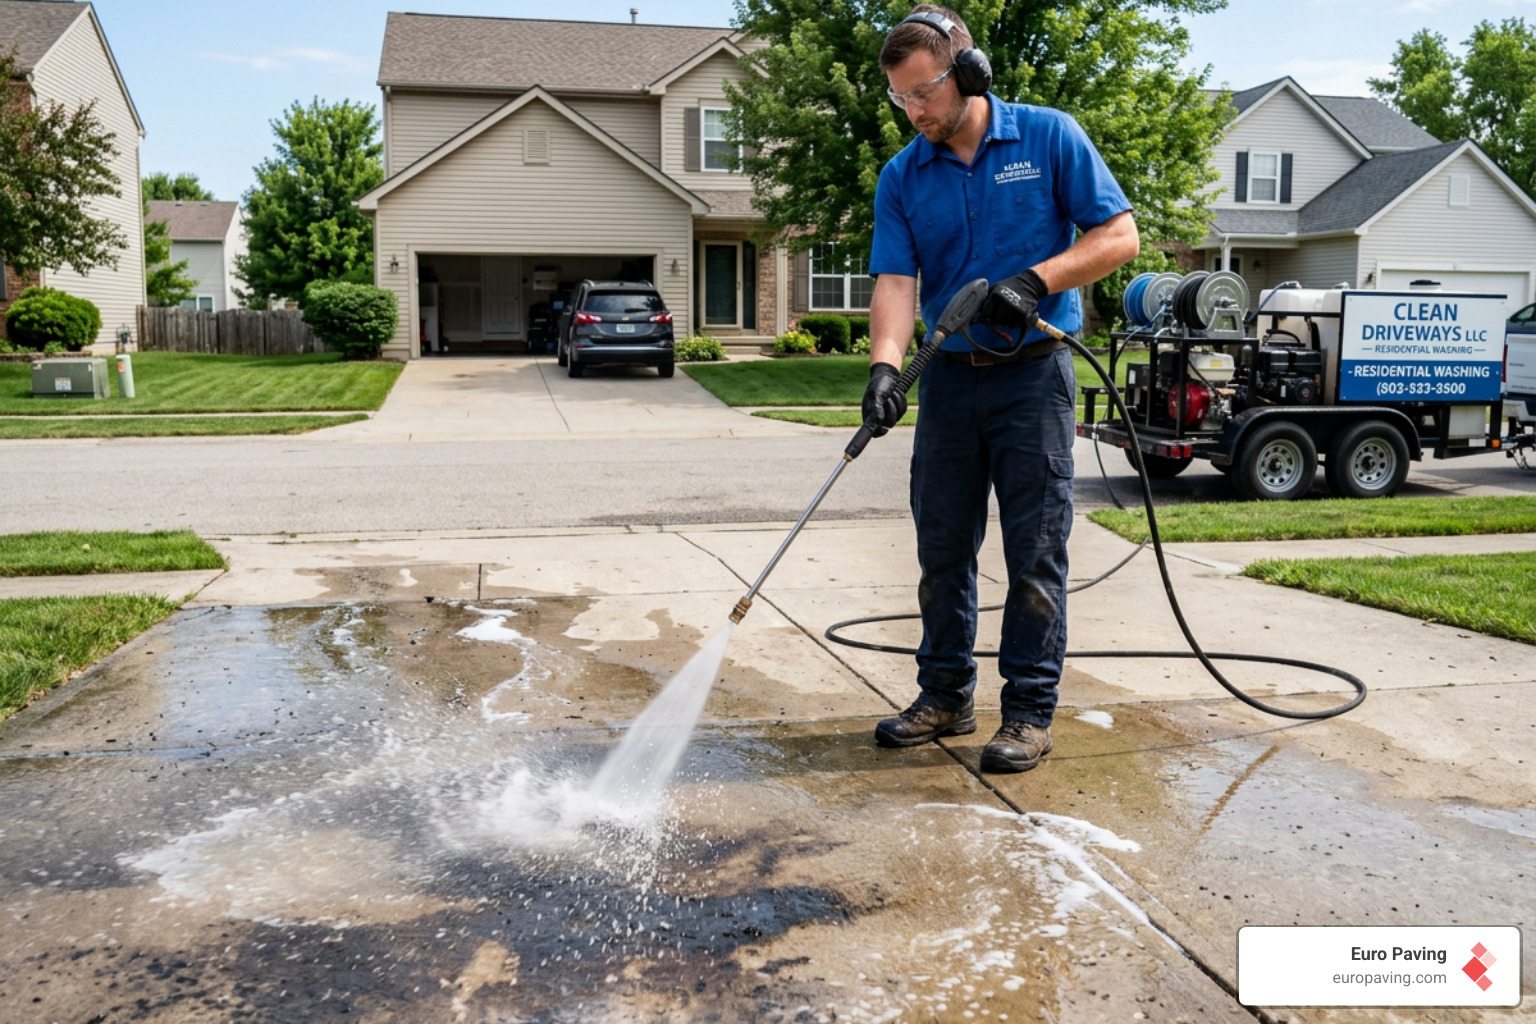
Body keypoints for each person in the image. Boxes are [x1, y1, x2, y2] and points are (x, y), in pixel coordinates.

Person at [864, 4, 1139, 772]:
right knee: (942, 548)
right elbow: (894, 280)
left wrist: (1036, 280)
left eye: (924, 93)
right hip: (950, 381)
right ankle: (945, 693)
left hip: (1034, 380)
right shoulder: (903, 175)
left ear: (969, 73)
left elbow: (1119, 236)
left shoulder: (1048, 136)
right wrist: (886, 369)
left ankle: (1027, 711)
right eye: (901, 99)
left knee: (1035, 551)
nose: (914, 111)